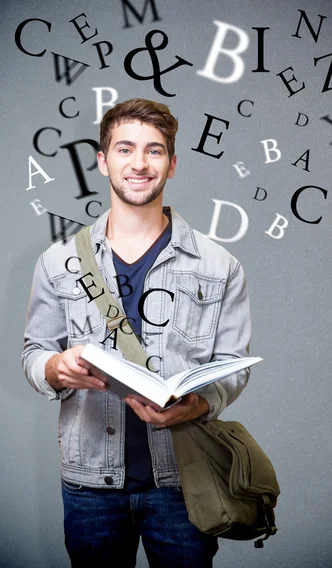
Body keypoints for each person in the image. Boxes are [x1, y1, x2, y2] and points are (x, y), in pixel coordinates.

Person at [22, 98, 251, 567]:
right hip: (89, 486)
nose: (140, 163)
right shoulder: (56, 261)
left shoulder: (219, 264)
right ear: (104, 161)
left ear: (172, 163)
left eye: (155, 150)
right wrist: (55, 367)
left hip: (183, 481)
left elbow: (233, 367)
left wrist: (201, 402)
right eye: (125, 149)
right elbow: (34, 353)